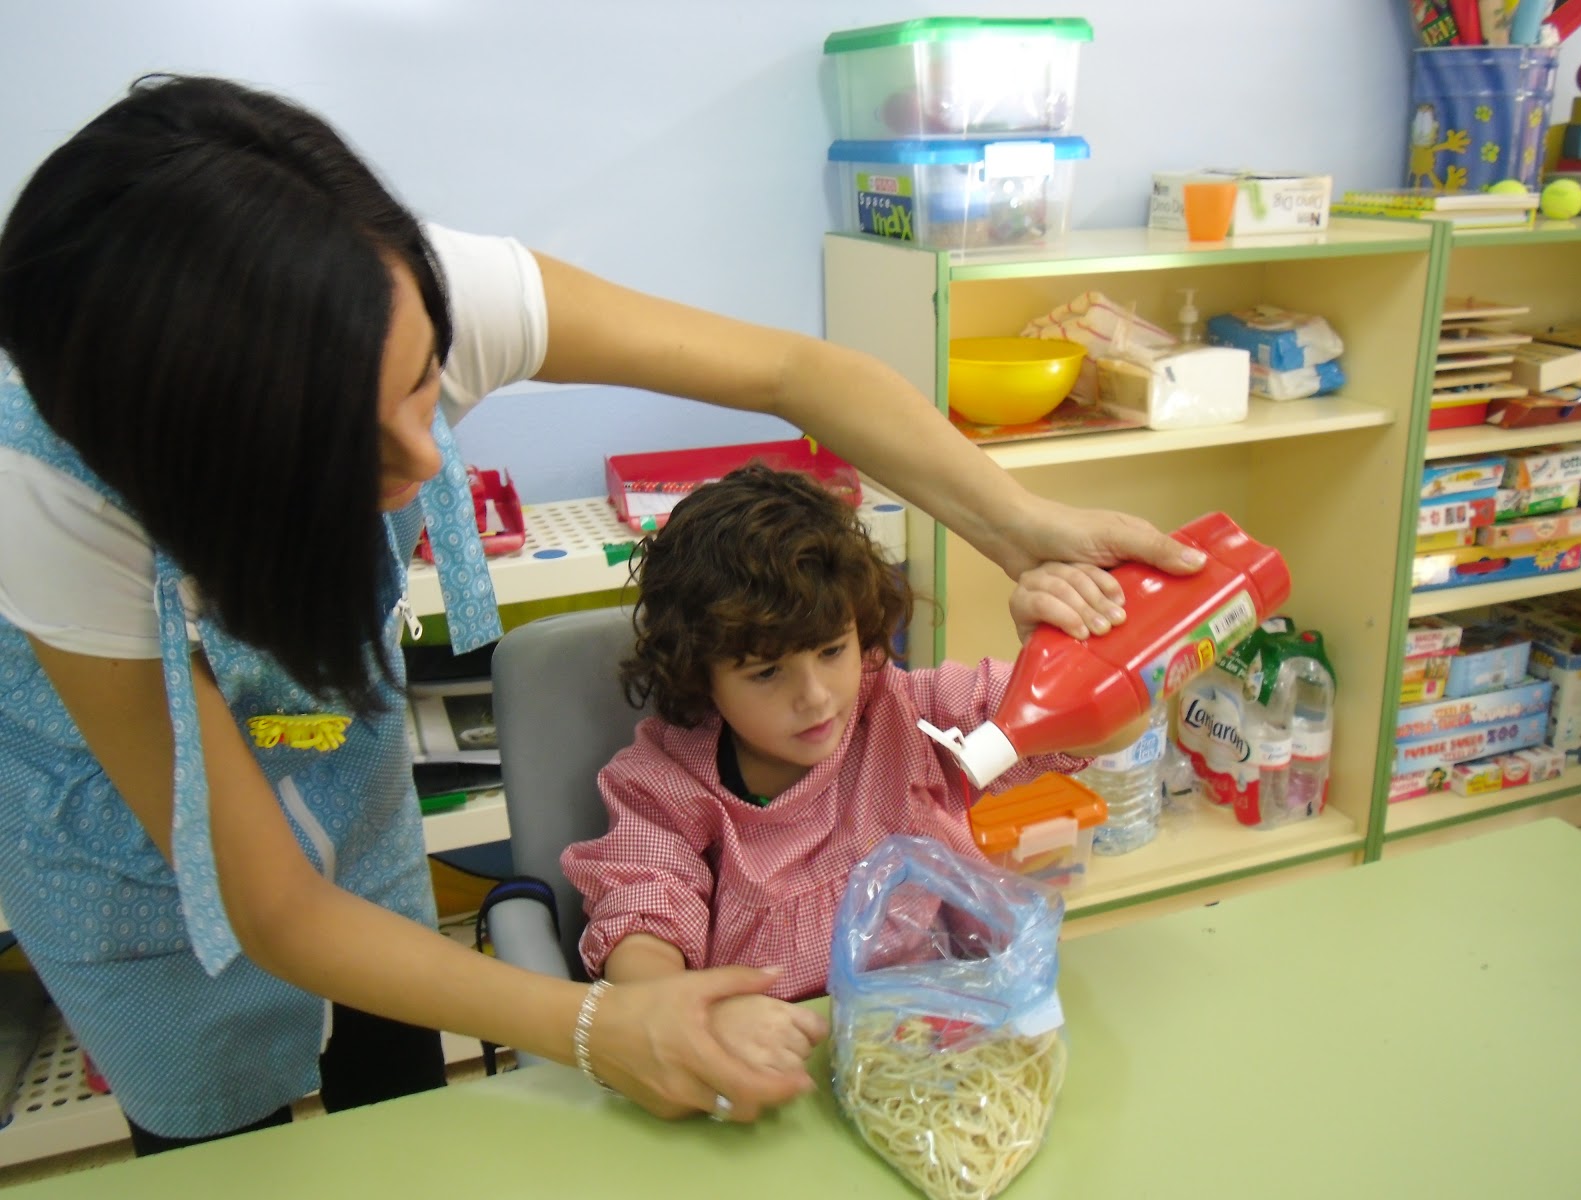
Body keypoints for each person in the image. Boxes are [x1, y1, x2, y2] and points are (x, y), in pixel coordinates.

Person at [0, 74, 1201, 1149]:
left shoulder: (401, 287)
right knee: (221, 1134)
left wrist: (1021, 529)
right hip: (119, 829)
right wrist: (601, 1022)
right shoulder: (50, 500)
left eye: (427, 387)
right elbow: (273, 907)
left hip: (336, 748)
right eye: (351, 450)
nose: (426, 460)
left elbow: (800, 374)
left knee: (393, 1084)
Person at [562, 464, 1144, 1037]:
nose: (815, 697)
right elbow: (644, 924)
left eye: (831, 651)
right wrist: (679, 1012)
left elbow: (1102, 730)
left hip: (944, 1032)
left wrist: (1062, 661)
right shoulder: (666, 783)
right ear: (700, 676)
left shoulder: (910, 715)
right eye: (767, 673)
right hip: (775, 1051)